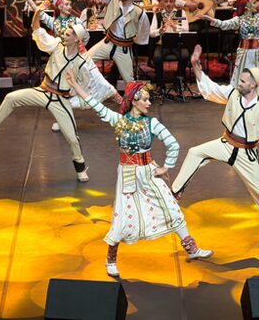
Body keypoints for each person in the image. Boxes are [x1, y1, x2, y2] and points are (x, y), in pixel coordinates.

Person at [66, 72, 213, 277]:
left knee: (170, 206)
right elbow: (94, 104)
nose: (148, 103)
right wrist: (75, 84)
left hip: (149, 171)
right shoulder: (119, 120)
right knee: (124, 217)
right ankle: (110, 259)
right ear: (134, 101)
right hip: (128, 174)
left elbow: (173, 144)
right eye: (144, 99)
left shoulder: (152, 123)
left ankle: (192, 248)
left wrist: (166, 167)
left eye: (148, 99)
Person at [0, 1, 116, 181]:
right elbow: (37, 31)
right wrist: (37, 12)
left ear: (77, 40)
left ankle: (80, 169)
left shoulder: (82, 62)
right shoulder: (56, 45)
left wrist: (72, 91)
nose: (65, 33)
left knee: (72, 138)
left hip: (60, 100)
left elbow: (84, 84)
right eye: (66, 31)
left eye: (69, 33)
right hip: (43, 91)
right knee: (11, 97)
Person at [171, 46, 259, 240]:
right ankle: (175, 192)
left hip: (245, 153)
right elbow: (210, 88)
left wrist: (257, 140)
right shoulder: (232, 94)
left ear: (254, 85)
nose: (239, 83)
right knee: (195, 152)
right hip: (225, 143)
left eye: (243, 81)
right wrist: (196, 66)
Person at [201, 0, 259, 103]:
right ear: (246, 6)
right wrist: (211, 19)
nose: (258, 4)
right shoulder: (239, 19)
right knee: (244, 78)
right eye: (254, 2)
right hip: (245, 54)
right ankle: (245, 99)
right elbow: (224, 24)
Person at [87, 0, 150, 85]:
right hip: (108, 43)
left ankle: (135, 102)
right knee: (85, 60)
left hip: (124, 49)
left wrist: (134, 40)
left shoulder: (139, 12)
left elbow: (144, 31)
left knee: (130, 82)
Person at [149, 0, 190, 92]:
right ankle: (160, 84)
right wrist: (160, 30)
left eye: (171, 1)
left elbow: (186, 30)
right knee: (157, 58)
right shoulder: (158, 15)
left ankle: (178, 82)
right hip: (162, 44)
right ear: (162, 2)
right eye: (166, 1)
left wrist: (175, 26)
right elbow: (151, 33)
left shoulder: (181, 14)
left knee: (184, 56)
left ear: (174, 2)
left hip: (178, 44)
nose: (168, 4)